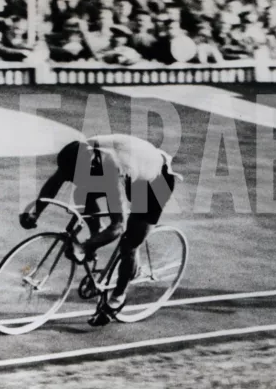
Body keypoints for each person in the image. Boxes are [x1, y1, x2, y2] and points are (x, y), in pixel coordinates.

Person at [19, 134, 182, 326]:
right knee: (82, 193)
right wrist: (35, 212)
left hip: (156, 180)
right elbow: (55, 182)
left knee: (129, 243)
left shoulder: (109, 169)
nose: (72, 180)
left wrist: (84, 246)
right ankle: (95, 244)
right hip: (134, 165)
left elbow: (117, 226)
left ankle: (117, 299)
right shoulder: (78, 154)